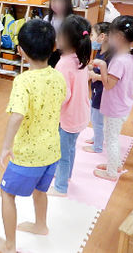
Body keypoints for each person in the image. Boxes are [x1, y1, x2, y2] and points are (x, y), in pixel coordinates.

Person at [0, 19, 66, 253]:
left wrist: (5, 146)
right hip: (52, 150)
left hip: (28, 154)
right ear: (53, 47)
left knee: (6, 193)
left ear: (21, 51)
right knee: (40, 190)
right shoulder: (57, 76)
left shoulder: (23, 80)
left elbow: (16, 116)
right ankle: (41, 225)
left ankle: (9, 246)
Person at [92, 15, 133, 181]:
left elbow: (108, 85)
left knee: (111, 139)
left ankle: (112, 173)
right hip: (122, 104)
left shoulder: (119, 60)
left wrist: (102, 67)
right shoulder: (130, 56)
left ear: (119, 37)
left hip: (116, 107)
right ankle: (113, 164)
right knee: (112, 136)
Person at [48, 15, 92, 197]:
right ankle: (66, 176)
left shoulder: (64, 63)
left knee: (62, 154)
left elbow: (63, 95)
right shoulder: (80, 58)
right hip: (81, 115)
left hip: (68, 118)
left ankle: (60, 187)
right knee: (71, 148)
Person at [84, 22, 112, 153]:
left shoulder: (111, 55)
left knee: (97, 120)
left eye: (92, 35)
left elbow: (111, 78)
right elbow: (96, 66)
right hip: (96, 90)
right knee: (94, 117)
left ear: (102, 36)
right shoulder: (100, 51)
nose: (91, 38)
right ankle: (97, 138)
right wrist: (90, 67)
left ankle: (98, 147)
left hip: (102, 92)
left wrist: (94, 75)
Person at [43, 0, 74, 68]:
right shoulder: (47, 19)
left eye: (60, 1)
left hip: (65, 54)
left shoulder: (72, 21)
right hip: (49, 53)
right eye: (54, 1)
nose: (56, 4)